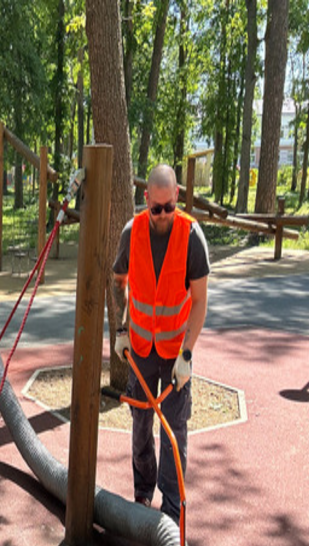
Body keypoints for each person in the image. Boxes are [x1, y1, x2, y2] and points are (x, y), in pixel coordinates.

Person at [112, 164, 210, 521]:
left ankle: (171, 512)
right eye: (157, 208)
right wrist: (122, 331)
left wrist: (187, 353)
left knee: (173, 434)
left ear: (177, 197)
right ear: (146, 200)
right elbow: (118, 283)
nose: (165, 215)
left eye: (170, 206)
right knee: (141, 427)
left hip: (174, 356)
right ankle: (142, 497)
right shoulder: (132, 232)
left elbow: (199, 301)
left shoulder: (191, 236)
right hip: (140, 350)